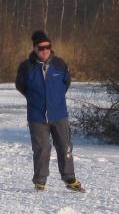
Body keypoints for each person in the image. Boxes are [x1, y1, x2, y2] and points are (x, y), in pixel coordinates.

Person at [14, 30, 84, 192]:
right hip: (37, 116)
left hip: (59, 114)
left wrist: (55, 99)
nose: (45, 50)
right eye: (41, 48)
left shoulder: (60, 64)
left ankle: (69, 179)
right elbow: (20, 86)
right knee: (42, 148)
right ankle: (40, 181)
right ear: (35, 48)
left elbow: (66, 83)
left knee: (65, 146)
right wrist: (35, 99)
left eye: (48, 47)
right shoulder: (26, 67)